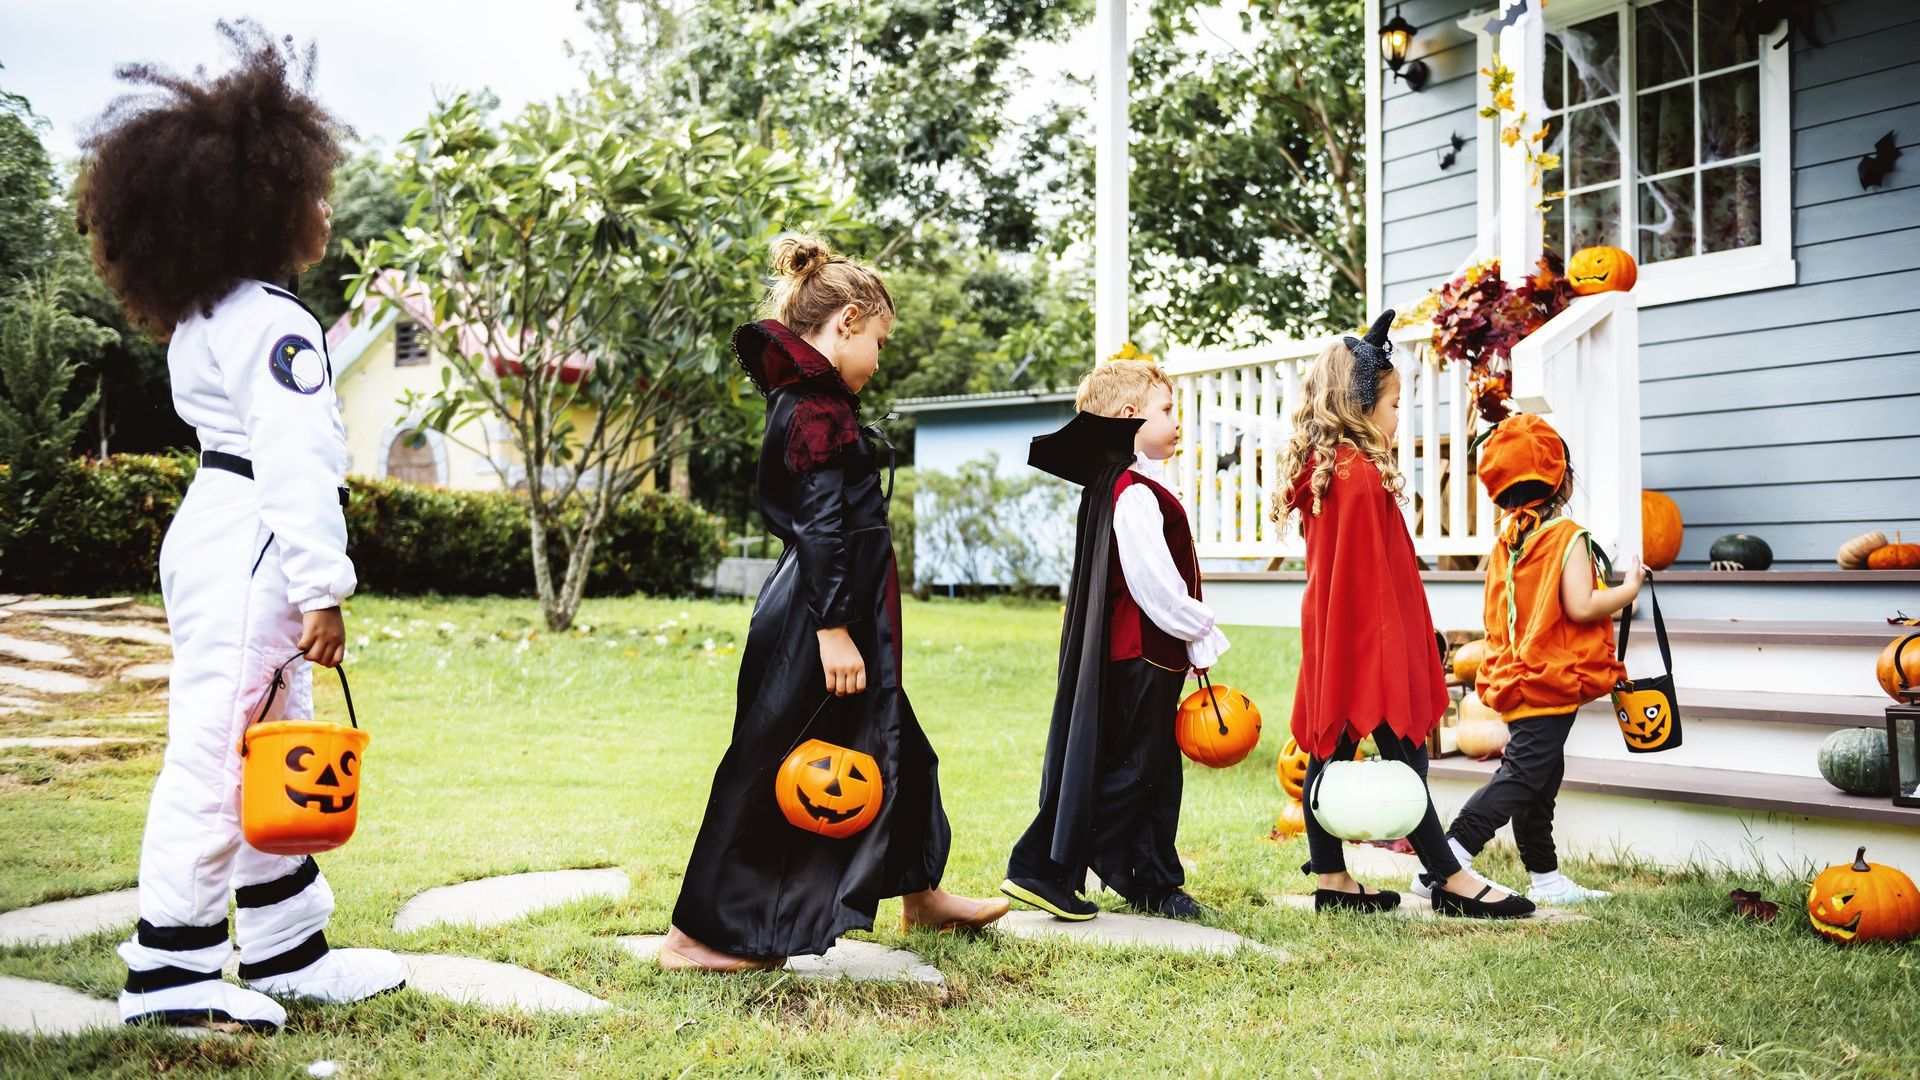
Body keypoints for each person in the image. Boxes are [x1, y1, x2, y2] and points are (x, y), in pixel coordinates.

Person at [76, 21, 406, 1029]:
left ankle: (283, 948)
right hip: (259, 538)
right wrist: (324, 590)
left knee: (270, 746)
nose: (318, 201)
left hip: (220, 525)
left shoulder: (204, 317)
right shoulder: (273, 320)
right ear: (263, 197)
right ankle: (170, 975)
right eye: (307, 186)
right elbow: (299, 461)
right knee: (223, 754)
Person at [661, 236, 1007, 972]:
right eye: (878, 342)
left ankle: (922, 893)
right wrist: (836, 633)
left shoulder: (817, 399)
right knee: (770, 768)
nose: (878, 362)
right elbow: (821, 529)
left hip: (839, 611)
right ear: (848, 320)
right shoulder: (819, 408)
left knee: (903, 751)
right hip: (821, 617)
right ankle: (696, 937)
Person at [1275, 311, 1534, 919]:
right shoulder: (1358, 475)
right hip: (1370, 640)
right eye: (1393, 406)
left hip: (1341, 636)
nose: (1398, 418)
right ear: (1360, 406)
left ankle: (1335, 879)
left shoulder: (1327, 471)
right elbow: (1372, 583)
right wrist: (1407, 646)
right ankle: (1448, 877)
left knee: (1330, 754)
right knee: (1405, 754)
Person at [1001, 359, 1230, 921]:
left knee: (1152, 769)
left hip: (1143, 653)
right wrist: (1199, 629)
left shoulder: (1128, 483)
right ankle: (1043, 862)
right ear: (1130, 417)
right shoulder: (1132, 492)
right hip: (1143, 653)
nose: (1178, 422)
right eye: (1167, 411)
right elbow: (1154, 584)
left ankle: (1149, 877)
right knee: (1138, 769)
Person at [1430, 413, 1642, 906]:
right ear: (1561, 479)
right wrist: (1627, 589)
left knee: (1540, 782)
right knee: (1524, 775)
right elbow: (1581, 605)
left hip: (1520, 675)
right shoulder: (1564, 535)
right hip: (1548, 679)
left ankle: (1545, 877)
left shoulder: (1511, 541)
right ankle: (1451, 855)